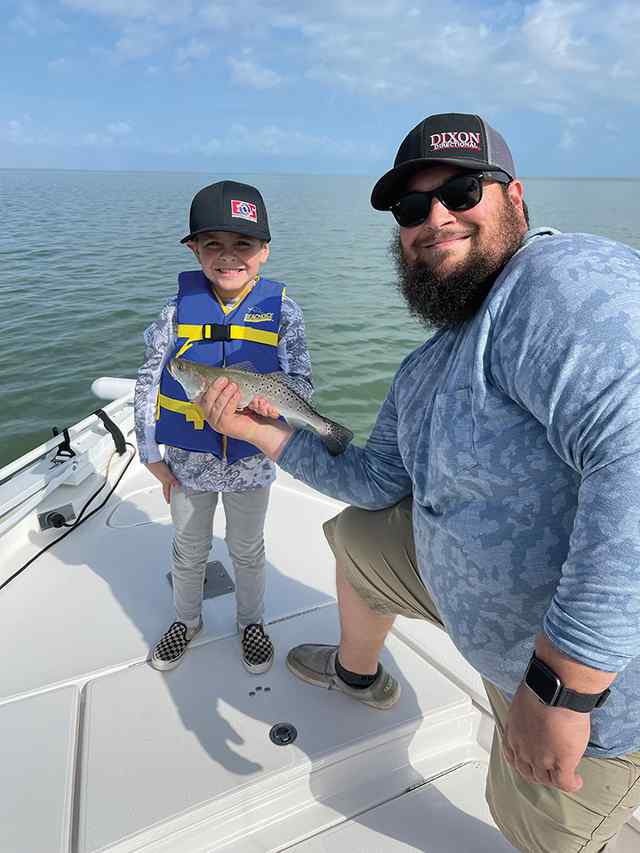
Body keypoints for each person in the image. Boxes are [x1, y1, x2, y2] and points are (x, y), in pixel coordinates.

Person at [196, 114, 640, 853]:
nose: (434, 219)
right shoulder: (429, 363)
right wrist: (260, 432)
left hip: (584, 683)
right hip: (472, 594)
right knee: (357, 539)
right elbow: (377, 481)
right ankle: (357, 673)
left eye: (461, 193)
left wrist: (563, 684)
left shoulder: (559, 284)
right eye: (411, 208)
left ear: (516, 197)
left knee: (532, 828)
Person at [134, 179, 313, 675]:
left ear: (265, 251)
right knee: (188, 549)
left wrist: (277, 409)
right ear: (194, 249)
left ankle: (251, 622)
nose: (229, 256)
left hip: (252, 464)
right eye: (213, 243)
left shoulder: (285, 312)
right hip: (188, 464)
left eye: (244, 244)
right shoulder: (174, 312)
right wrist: (150, 455)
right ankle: (186, 620)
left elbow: (302, 382)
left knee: (248, 550)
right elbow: (148, 382)